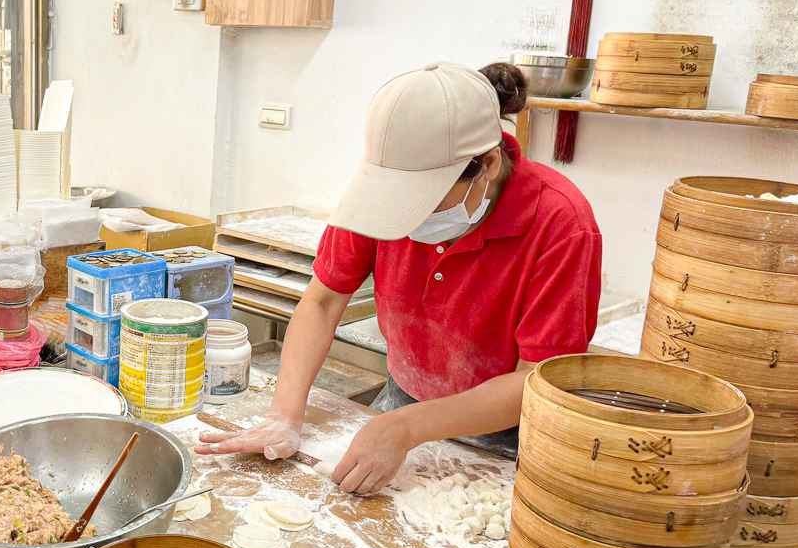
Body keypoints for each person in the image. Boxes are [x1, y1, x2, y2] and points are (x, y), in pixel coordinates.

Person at [197, 61, 602, 495]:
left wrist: (408, 428)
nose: (409, 221)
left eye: (424, 203)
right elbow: (321, 302)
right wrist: (285, 414)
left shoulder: (561, 224)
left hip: (507, 436)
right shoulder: (378, 198)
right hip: (404, 397)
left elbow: (536, 380)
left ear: (486, 164)